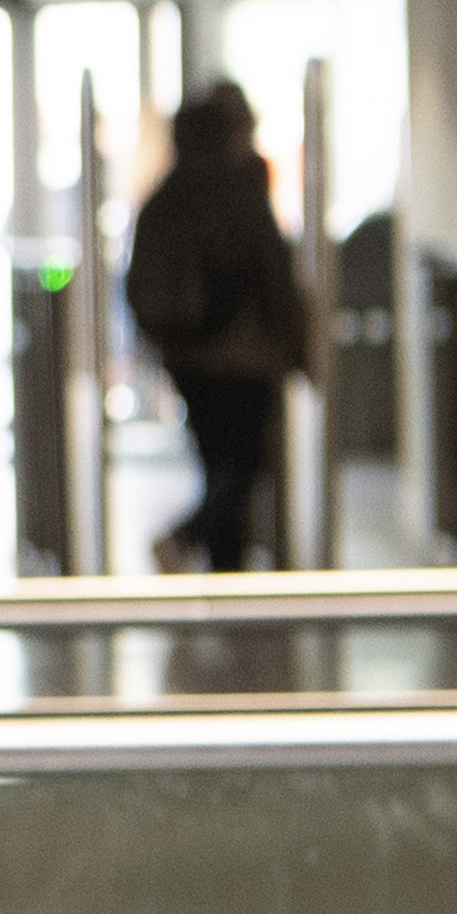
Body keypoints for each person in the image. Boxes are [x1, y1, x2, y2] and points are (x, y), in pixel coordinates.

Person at [127, 79, 308, 574]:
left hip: (186, 356)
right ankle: (192, 542)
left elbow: (137, 281)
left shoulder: (167, 195)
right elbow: (271, 272)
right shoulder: (239, 189)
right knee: (242, 466)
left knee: (219, 465)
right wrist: (297, 344)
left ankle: (225, 575)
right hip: (240, 355)